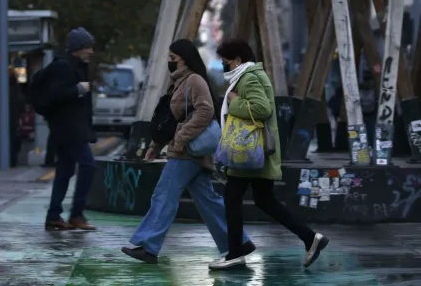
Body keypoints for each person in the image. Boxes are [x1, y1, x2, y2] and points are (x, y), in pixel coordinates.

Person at [122, 39, 254, 264]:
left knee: (163, 195)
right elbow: (172, 120)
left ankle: (148, 245)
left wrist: (181, 139)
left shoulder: (194, 80)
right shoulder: (179, 82)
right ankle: (238, 242)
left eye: (173, 58)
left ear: (185, 59)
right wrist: (156, 146)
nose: (170, 62)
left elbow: (205, 111)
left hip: (187, 151)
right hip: (190, 151)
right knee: (208, 200)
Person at [209, 39, 329, 270]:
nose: (224, 64)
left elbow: (262, 109)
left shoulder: (249, 77)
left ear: (237, 60)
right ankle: (310, 238)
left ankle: (236, 253)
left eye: (226, 60)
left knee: (233, 197)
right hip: (254, 153)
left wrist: (235, 102)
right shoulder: (245, 75)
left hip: (250, 151)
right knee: (264, 200)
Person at [44, 27, 97, 231]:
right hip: (68, 129)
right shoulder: (64, 67)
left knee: (64, 171)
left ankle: (54, 215)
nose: (91, 51)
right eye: (87, 47)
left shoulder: (77, 65)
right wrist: (77, 90)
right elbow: (55, 94)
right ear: (77, 48)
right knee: (88, 165)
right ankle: (76, 214)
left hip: (70, 128)